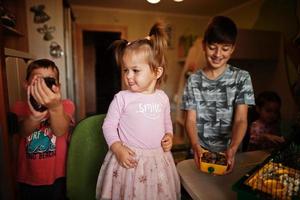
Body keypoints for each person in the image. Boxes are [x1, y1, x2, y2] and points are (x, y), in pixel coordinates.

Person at [95, 21, 181, 200]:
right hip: (129, 161)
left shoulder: (162, 98)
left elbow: (166, 123)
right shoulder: (122, 98)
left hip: (158, 161)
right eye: (126, 70)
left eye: (135, 70)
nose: (128, 76)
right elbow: (108, 126)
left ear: (156, 72)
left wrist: (170, 136)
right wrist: (117, 148)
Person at [181, 16, 255, 174]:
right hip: (198, 151)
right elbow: (190, 119)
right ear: (204, 45)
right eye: (212, 47)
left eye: (225, 48)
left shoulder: (242, 78)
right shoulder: (193, 80)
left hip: (229, 154)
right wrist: (196, 147)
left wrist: (233, 148)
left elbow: (241, 119)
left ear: (233, 48)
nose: (218, 54)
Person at [11, 59, 75, 200]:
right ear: (26, 84)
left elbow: (60, 131)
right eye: (38, 81)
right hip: (27, 177)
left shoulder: (65, 105)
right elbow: (22, 132)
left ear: (58, 86)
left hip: (58, 176)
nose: (43, 86)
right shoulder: (19, 107)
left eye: (49, 81)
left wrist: (55, 107)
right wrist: (34, 118)